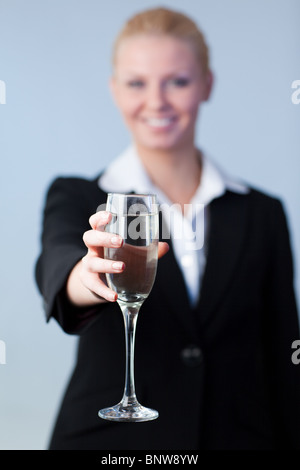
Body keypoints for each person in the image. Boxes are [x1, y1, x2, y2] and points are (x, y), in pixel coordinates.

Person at [35, 6, 300, 450]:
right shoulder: (79, 196)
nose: (156, 101)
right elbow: (58, 263)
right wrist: (83, 277)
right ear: (114, 90)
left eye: (177, 81)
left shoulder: (261, 213)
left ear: (207, 85)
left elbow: (285, 354)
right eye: (137, 82)